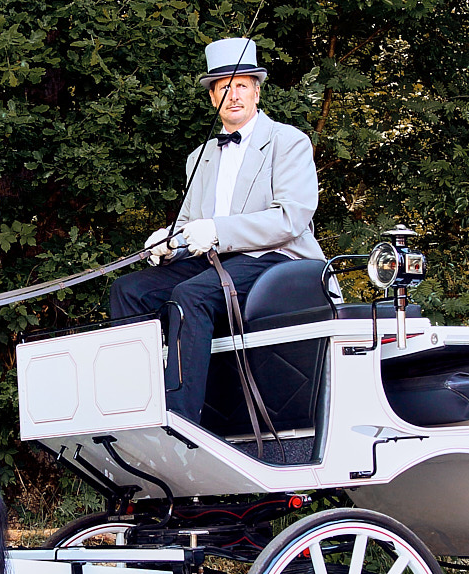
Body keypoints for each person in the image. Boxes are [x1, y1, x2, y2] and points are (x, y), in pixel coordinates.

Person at [108, 37, 323, 421]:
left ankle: (179, 419)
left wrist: (219, 231)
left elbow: (292, 218)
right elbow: (192, 225)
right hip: (215, 260)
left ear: (257, 91)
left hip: (276, 259)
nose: (233, 95)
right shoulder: (200, 157)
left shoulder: (289, 142)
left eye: (242, 85)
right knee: (129, 289)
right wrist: (167, 243)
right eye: (224, 88)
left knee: (189, 295)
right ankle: (131, 406)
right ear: (212, 98)